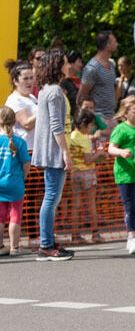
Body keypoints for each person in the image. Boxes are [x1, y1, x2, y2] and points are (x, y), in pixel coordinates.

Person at [32, 52, 74, 260]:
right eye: (66, 63)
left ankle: (47, 241)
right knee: (51, 198)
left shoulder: (45, 90)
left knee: (51, 197)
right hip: (53, 151)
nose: (69, 66)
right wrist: (65, 152)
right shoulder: (56, 91)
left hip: (47, 150)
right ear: (58, 66)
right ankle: (46, 245)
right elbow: (57, 125)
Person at [107, 96, 135, 254]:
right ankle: (131, 237)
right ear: (125, 114)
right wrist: (121, 152)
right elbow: (111, 148)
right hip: (125, 174)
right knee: (129, 206)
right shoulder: (121, 129)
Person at [68, 108, 105, 245]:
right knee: (91, 204)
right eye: (90, 126)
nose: (92, 128)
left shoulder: (72, 136)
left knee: (76, 205)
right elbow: (88, 160)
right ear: (84, 124)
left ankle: (75, 235)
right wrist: (99, 153)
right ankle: (95, 234)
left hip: (75, 174)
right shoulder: (84, 139)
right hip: (87, 173)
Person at [0, 106, 30, 256]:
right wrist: (23, 177)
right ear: (14, 121)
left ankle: (0, 247)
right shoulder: (19, 142)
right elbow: (26, 163)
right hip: (15, 183)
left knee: (0, 216)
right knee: (15, 215)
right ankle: (14, 248)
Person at [78, 30, 118, 128]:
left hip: (111, 117)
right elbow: (81, 95)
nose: (117, 44)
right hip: (98, 119)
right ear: (107, 45)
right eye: (114, 42)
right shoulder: (92, 68)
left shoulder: (111, 64)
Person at [5, 61, 37, 152]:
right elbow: (27, 124)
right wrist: (44, 108)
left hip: (35, 149)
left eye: (31, 78)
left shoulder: (32, 97)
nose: (30, 82)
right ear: (15, 81)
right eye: (25, 79)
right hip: (24, 150)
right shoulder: (15, 99)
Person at [60, 50, 84, 120]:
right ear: (70, 63)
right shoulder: (63, 83)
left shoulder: (80, 81)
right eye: (79, 62)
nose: (81, 65)